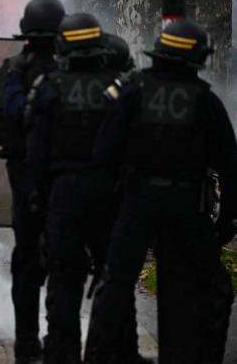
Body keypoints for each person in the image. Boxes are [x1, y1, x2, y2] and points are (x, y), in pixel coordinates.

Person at [84, 20, 236, 364]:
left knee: (116, 283)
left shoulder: (133, 92)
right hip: (187, 207)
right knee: (209, 288)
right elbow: (230, 166)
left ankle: (104, 356)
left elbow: (104, 153)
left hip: (136, 203)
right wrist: (226, 222)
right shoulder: (206, 101)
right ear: (197, 60)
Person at [25, 14, 142, 363]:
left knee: (64, 279)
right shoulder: (122, 88)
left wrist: (38, 199)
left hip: (64, 196)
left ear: (63, 46)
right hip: (110, 195)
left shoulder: (48, 86)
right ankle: (119, 353)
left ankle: (62, 355)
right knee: (115, 277)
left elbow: (36, 154)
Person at [0, 0, 65, 363]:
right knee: (64, 260)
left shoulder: (7, 72)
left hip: (22, 178)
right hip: (64, 179)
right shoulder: (71, 71)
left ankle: (25, 342)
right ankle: (59, 342)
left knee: (27, 261)